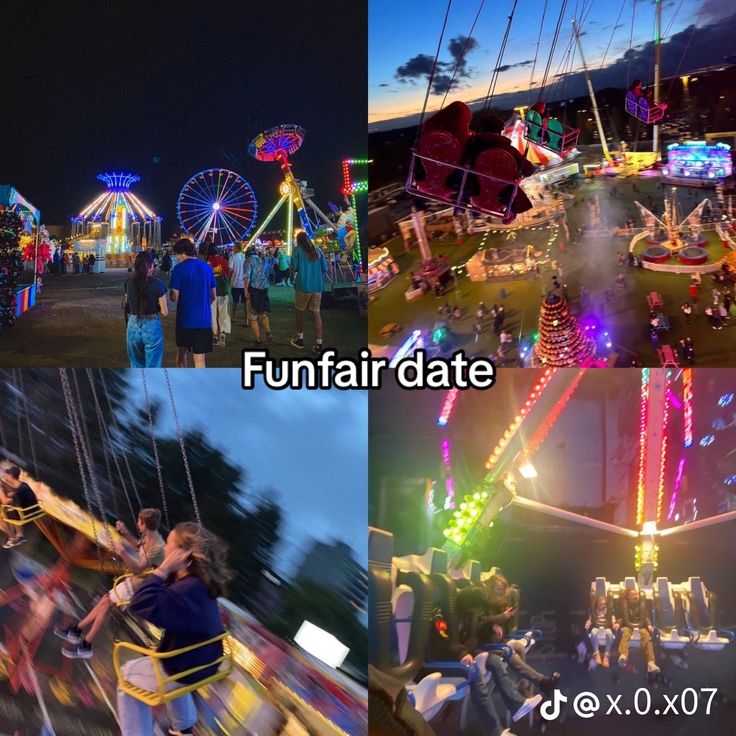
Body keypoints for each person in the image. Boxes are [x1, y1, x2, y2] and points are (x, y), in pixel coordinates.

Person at [116, 522, 232, 736]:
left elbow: (140, 604)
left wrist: (162, 569)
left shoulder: (187, 591)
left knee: (127, 676)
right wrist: (166, 573)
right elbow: (165, 596)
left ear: (182, 554)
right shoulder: (200, 586)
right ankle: (184, 727)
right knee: (172, 676)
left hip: (181, 668)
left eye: (169, 544)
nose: (165, 549)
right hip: (199, 666)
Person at [56, 508, 165, 659]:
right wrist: (125, 532)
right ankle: (76, 631)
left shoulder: (157, 546)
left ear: (144, 523)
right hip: (135, 581)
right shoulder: (150, 536)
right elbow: (139, 545)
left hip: (140, 584)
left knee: (106, 604)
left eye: (139, 521)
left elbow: (138, 570)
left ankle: (85, 644)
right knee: (105, 601)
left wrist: (122, 552)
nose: (137, 523)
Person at [170, 239, 217, 368]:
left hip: (185, 320)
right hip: (204, 320)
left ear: (182, 252)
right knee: (200, 360)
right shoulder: (207, 268)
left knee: (181, 355)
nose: (177, 257)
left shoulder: (178, 269)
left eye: (177, 254)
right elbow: (213, 296)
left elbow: (175, 297)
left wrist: (170, 292)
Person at [124, 251, 168, 368]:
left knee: (136, 365)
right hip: (151, 324)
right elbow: (165, 312)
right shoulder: (158, 284)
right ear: (151, 266)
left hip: (133, 323)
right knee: (153, 367)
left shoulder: (129, 283)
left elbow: (128, 304)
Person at [290, 231, 329, 352]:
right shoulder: (317, 250)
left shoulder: (297, 250)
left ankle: (300, 339)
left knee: (299, 312)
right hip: (317, 286)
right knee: (316, 314)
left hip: (303, 285)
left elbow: (294, 267)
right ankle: (319, 344)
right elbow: (325, 269)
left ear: (298, 240)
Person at [617, 588, 660, 674]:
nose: (636, 596)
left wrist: (649, 624)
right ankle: (623, 655)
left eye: (636, 594)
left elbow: (646, 616)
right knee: (625, 634)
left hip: (640, 626)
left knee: (647, 637)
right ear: (628, 597)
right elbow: (621, 617)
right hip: (628, 626)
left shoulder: (641, 605)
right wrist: (618, 623)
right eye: (633, 595)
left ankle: (651, 663)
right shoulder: (625, 606)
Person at [0, 466, 38, 549]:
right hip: (33, 510)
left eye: (7, 474)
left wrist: (2, 490)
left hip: (25, 513)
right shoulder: (23, 485)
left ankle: (12, 538)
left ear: (11, 476)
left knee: (2, 517)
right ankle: (18, 535)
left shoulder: (17, 492)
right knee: (8, 510)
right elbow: (15, 491)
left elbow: (6, 502)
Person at [244, 246, 275, 347]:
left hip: (254, 289)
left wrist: (245, 290)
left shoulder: (248, 261)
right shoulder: (264, 259)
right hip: (264, 289)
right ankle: (269, 332)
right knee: (263, 313)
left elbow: (247, 276)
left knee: (252, 316)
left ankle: (258, 340)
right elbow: (274, 261)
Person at [205, 244, 231, 347]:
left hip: (212, 291)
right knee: (224, 313)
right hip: (223, 289)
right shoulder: (224, 261)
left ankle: (214, 334)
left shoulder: (208, 263)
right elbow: (227, 273)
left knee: (212, 313)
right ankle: (223, 333)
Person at [584, 596, 616, 668]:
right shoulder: (594, 610)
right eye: (601, 604)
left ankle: (606, 655)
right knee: (593, 633)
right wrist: (588, 623)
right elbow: (590, 619)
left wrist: (614, 624)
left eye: (604, 604)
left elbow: (612, 617)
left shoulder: (608, 610)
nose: (603, 606)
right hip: (596, 626)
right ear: (597, 604)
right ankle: (596, 653)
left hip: (606, 626)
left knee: (609, 634)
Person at [228, 242, 247, 326]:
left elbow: (230, 270)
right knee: (246, 302)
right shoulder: (245, 257)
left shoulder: (233, 257)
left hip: (235, 283)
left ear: (236, 248)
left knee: (235, 301)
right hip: (244, 283)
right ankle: (246, 319)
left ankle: (234, 316)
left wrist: (229, 278)